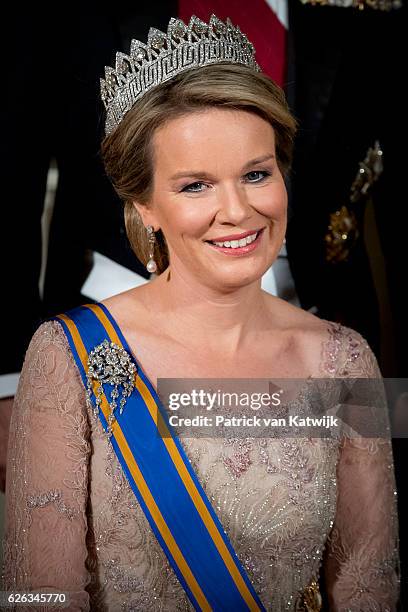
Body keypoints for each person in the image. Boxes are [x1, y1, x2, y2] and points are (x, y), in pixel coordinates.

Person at [1, 14, 400, 611]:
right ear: (145, 205)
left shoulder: (347, 360)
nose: (237, 211)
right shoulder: (66, 359)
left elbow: (369, 587)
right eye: (195, 186)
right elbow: (41, 597)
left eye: (257, 175)